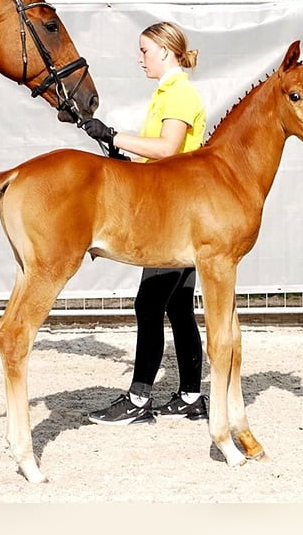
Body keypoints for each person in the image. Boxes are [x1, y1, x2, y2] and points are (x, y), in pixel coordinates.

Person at [81, 21, 209, 426]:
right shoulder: (167, 94)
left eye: (145, 51)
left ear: (167, 54)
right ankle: (190, 396)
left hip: (172, 216)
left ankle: (139, 401)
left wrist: (116, 137)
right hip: (174, 208)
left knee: (150, 304)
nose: (140, 59)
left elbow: (168, 149)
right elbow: (156, 158)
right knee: (178, 307)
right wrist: (126, 160)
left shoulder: (181, 94)